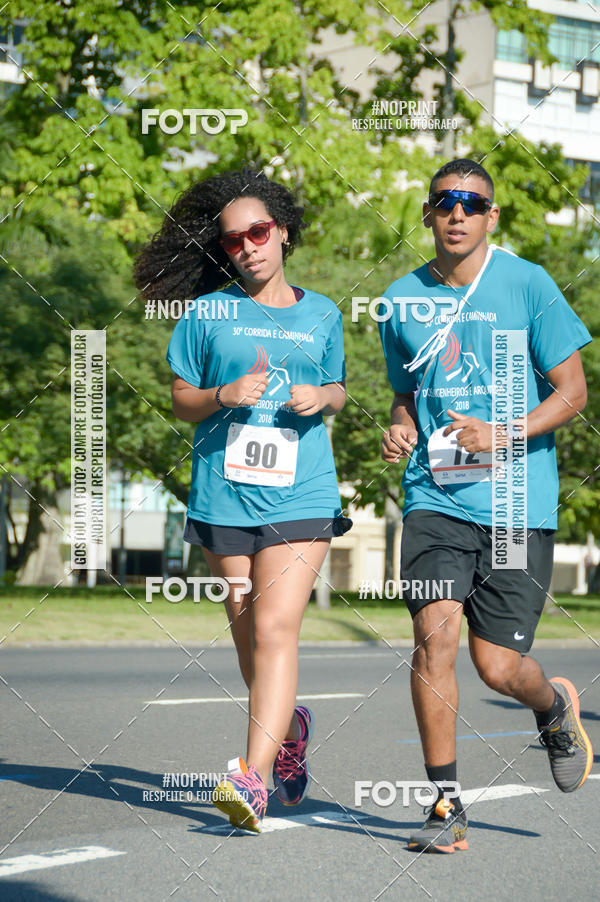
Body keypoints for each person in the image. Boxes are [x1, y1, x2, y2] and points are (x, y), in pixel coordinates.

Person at [378, 158, 593, 853]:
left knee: (496, 667)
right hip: (435, 498)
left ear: (491, 216)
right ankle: (446, 807)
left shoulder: (528, 283)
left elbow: (572, 392)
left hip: (514, 501)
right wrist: (403, 425)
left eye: (472, 202)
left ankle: (554, 704)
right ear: (429, 214)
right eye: (445, 201)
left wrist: (504, 432)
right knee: (434, 635)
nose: (458, 212)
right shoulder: (399, 299)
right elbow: (405, 393)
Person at [134, 167, 350, 833]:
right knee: (249, 631)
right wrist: (222, 396)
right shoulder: (205, 315)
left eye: (258, 231)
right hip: (224, 495)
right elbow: (180, 400)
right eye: (233, 240)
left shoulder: (323, 313)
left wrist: (324, 398)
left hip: (302, 491)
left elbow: (338, 387)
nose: (249, 246)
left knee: (279, 628)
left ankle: (249, 779)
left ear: (283, 232)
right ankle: (288, 731)